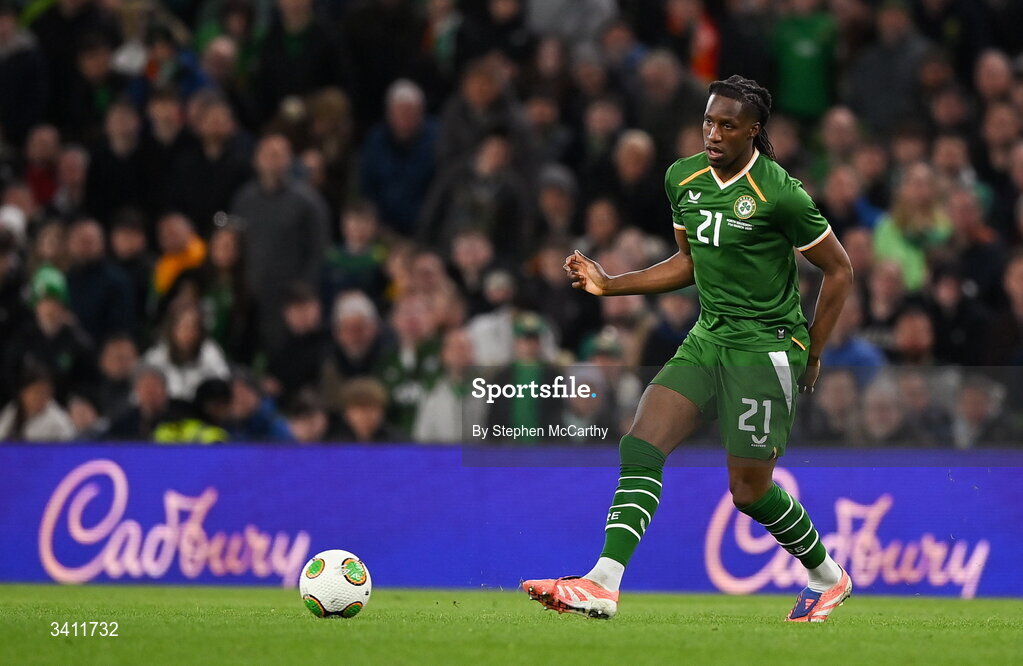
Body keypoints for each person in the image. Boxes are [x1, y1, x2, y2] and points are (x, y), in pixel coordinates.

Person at [522, 76, 855, 623]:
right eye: (708, 121)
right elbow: (687, 263)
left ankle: (827, 574)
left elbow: (839, 269)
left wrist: (813, 351)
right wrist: (611, 283)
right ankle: (603, 582)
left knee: (748, 492)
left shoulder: (781, 194)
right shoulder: (684, 178)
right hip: (709, 336)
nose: (714, 133)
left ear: (754, 131)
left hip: (765, 348)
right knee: (641, 446)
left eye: (728, 125)